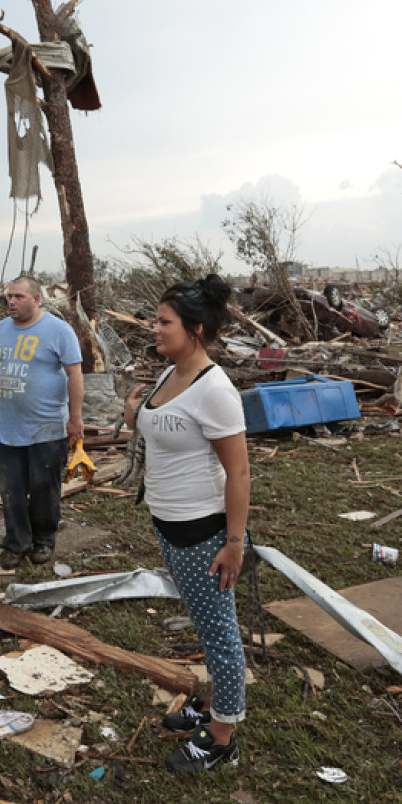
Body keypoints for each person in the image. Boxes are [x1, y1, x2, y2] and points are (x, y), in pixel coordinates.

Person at [124, 274, 251, 773]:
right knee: (206, 624)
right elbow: (158, 429)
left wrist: (234, 543)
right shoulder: (168, 373)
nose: (154, 329)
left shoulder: (215, 391)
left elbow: (238, 471)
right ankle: (210, 705)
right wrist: (136, 410)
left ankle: (221, 738)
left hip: (205, 534)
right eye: (155, 320)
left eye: (164, 322)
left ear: (195, 329)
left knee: (220, 634)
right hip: (169, 525)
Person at [0, 276, 83, 569]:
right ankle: (16, 543)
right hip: (8, 428)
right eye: (9, 297)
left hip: (47, 427)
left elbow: (75, 374)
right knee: (10, 490)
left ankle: (43, 541)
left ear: (36, 299)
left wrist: (75, 418)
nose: (11, 302)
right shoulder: (2, 328)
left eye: (18, 297)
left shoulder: (58, 331)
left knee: (43, 490)